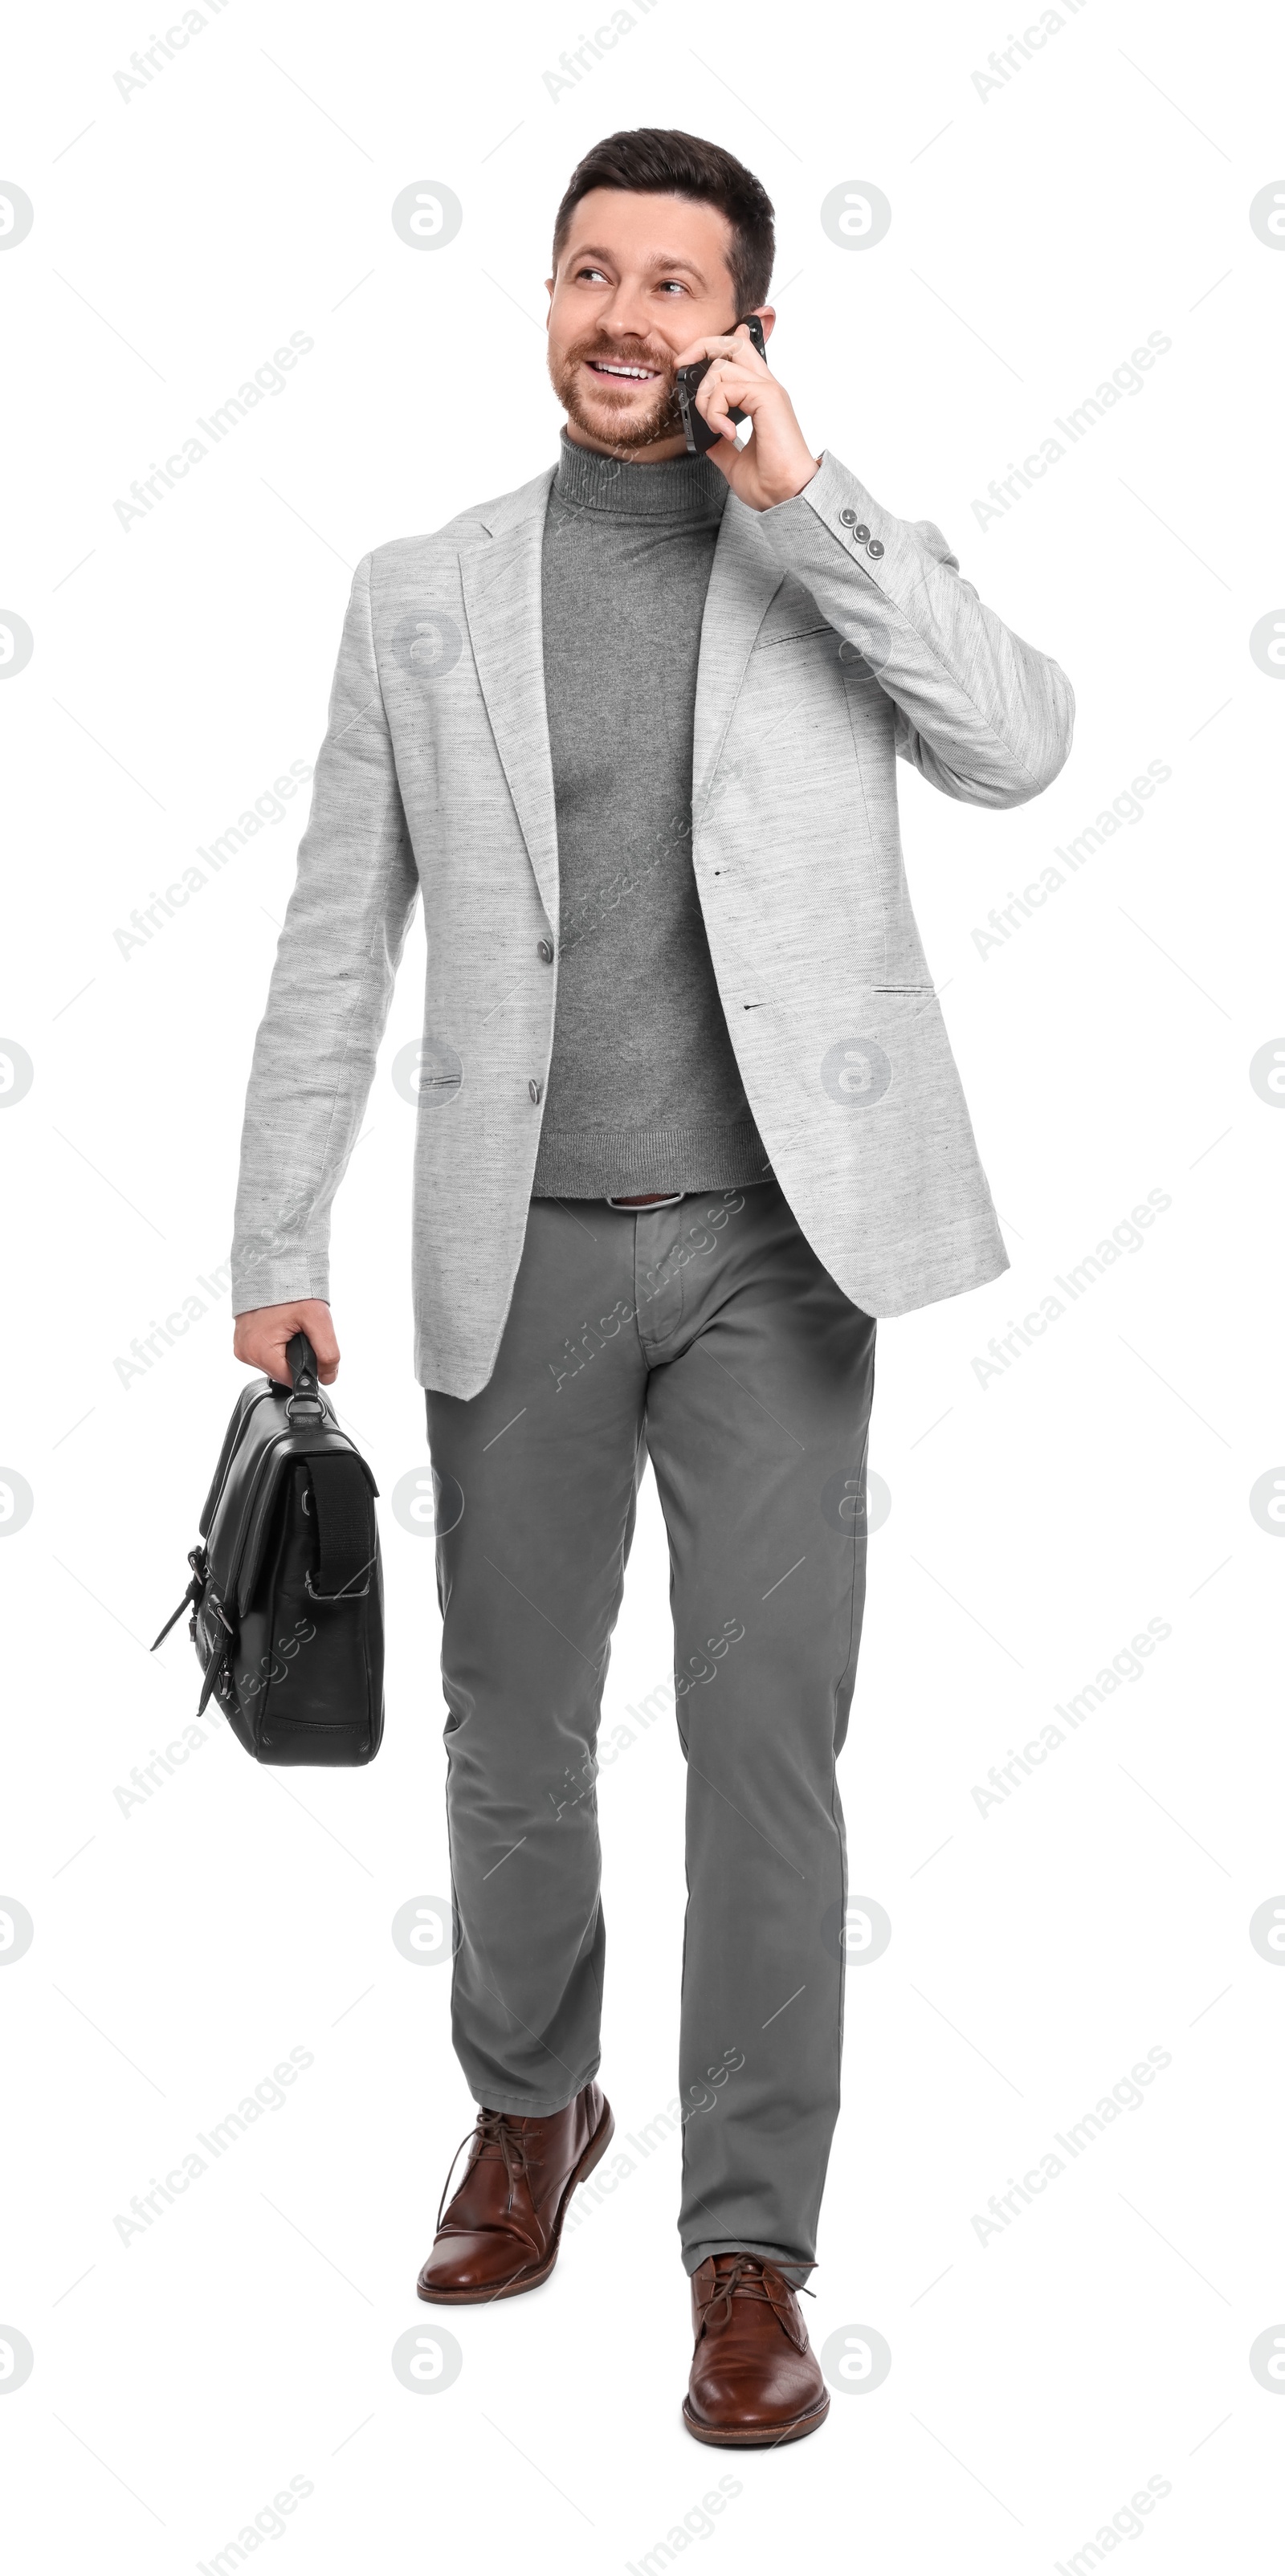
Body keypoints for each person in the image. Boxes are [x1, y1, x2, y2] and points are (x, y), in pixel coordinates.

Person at [230, 126, 1074, 2448]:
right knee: (512, 1736)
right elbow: (335, 934)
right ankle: (533, 2111)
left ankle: (748, 2250)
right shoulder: (421, 593)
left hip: (782, 1254)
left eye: (673, 287)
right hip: (514, 1248)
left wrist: (808, 491)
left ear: (747, 326)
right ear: (548, 299)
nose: (621, 316)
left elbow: (1018, 741)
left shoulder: (822, 550)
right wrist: (270, 1245)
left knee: (766, 1750)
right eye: (587, 273)